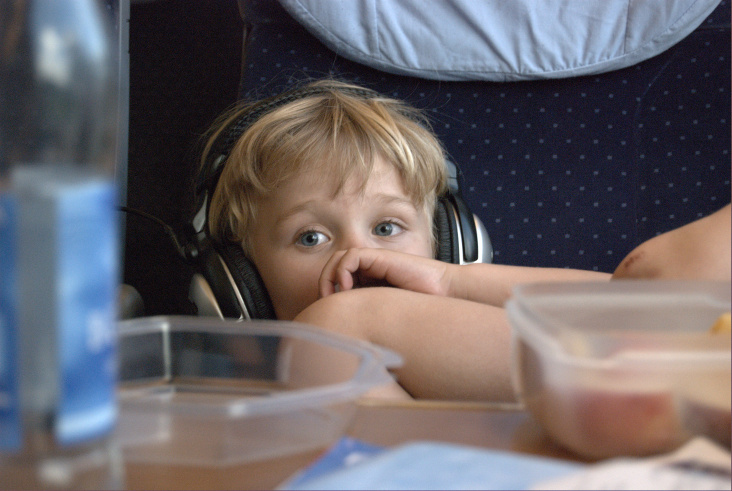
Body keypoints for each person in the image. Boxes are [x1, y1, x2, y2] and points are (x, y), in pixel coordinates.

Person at [202, 78, 730, 401]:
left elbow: (626, 296)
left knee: (332, 326)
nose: (357, 257)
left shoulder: (349, 320)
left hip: (686, 371)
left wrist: (452, 283)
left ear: (449, 242)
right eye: (310, 237)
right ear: (236, 281)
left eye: (387, 228)